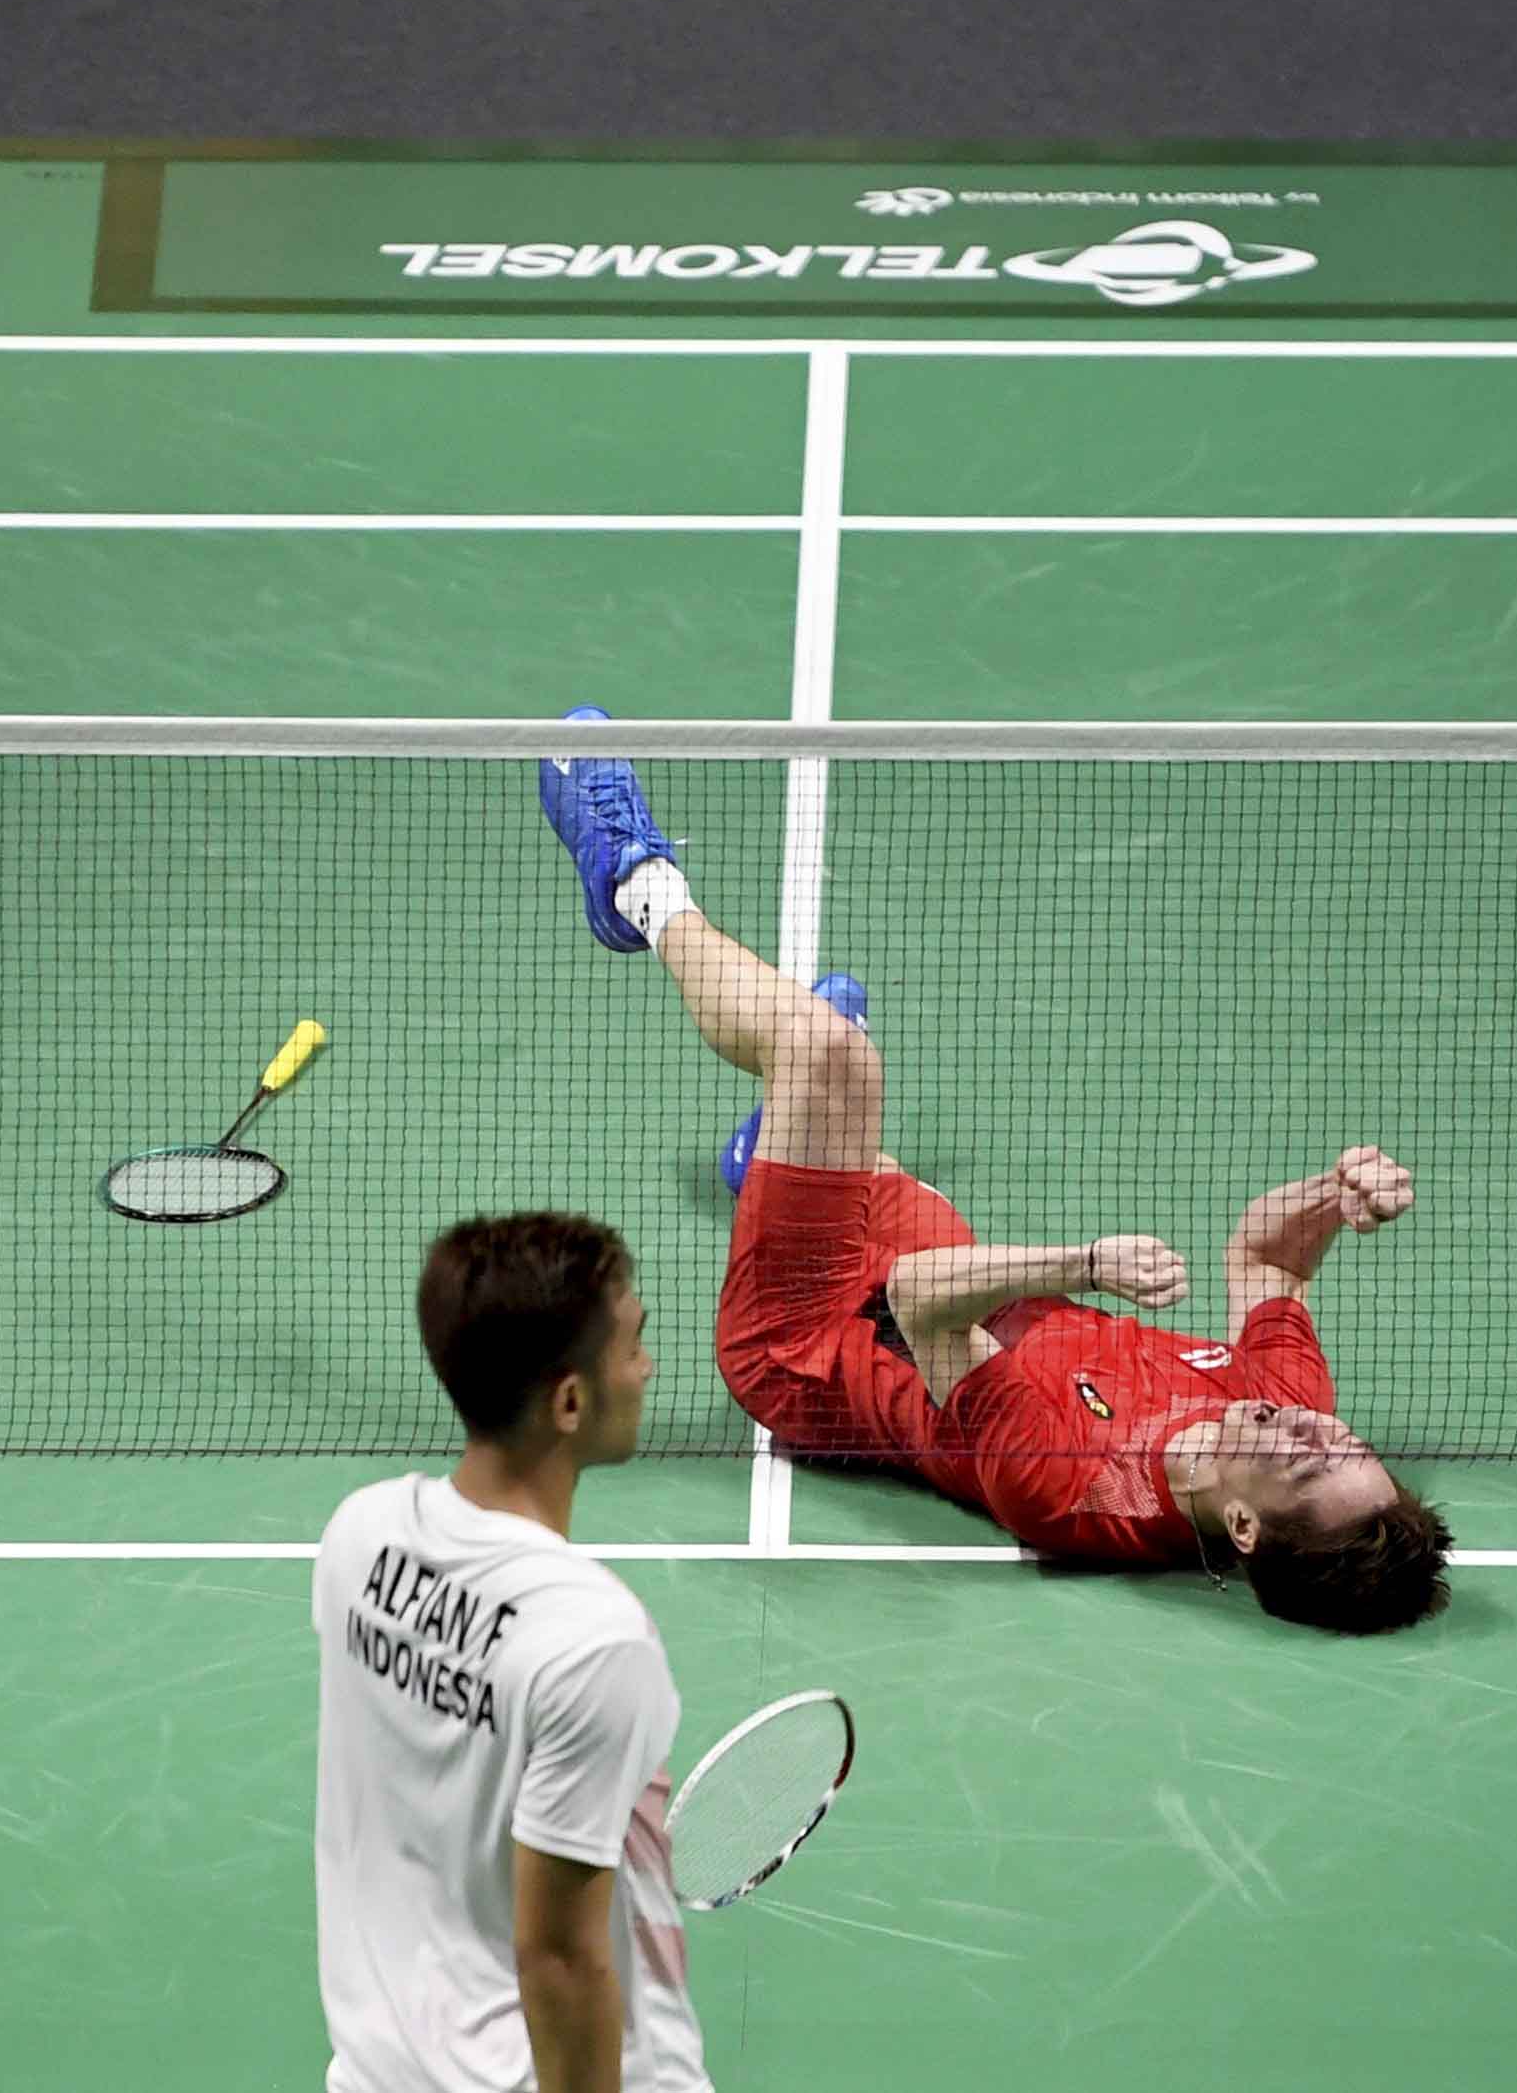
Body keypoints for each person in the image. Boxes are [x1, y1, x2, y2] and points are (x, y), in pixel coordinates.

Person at [539, 709, 1453, 1636]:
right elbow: (1271, 1262)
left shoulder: (1068, 1483)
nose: (1309, 1426)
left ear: (1248, 1527)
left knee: (829, 1055)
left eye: (1306, 1458)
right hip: (948, 1275)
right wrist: (1332, 1201)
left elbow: (918, 1298)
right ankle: (774, 1148)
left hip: (817, 1341)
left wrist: (1086, 1264)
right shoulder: (1287, 1406)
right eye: (1341, 1438)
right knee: (839, 1113)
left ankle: (634, 885)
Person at [315, 1214, 711, 2093]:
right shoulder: (593, 1638)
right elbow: (560, 1959)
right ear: (569, 1402)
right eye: (632, 1343)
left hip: (380, 2073)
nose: (646, 1367)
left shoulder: (358, 1537)